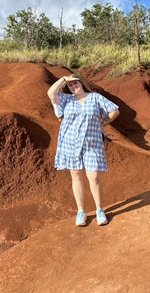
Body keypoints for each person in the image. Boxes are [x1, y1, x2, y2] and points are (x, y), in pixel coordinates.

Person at [47, 73, 119, 226]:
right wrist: (63, 79)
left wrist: (101, 125)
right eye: (70, 85)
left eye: (75, 83)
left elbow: (114, 111)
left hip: (92, 144)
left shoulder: (95, 97)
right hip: (70, 143)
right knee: (76, 175)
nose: (73, 86)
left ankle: (100, 210)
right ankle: (81, 211)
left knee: (94, 176)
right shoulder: (66, 100)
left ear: (81, 82)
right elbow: (51, 93)